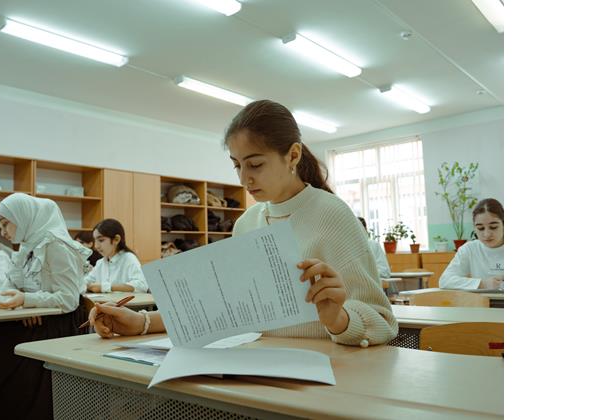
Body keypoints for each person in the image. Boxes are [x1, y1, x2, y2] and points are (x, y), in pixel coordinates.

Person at [88, 100, 398, 347]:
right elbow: (224, 309)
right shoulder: (248, 222)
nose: (243, 178)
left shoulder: (332, 215)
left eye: (255, 164)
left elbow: (383, 322)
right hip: (255, 366)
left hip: (324, 374)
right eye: (237, 165)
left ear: (293, 155)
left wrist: (338, 319)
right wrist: (140, 322)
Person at [0, 193, 91, 420]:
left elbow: (69, 298)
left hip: (58, 322)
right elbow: (6, 289)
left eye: (6, 224)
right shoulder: (27, 247)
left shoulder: (57, 245)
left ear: (24, 217)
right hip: (34, 317)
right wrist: (25, 305)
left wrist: (27, 301)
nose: (3, 232)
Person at [439, 198, 504, 290]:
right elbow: (445, 281)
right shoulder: (469, 249)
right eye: (480, 228)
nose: (487, 234)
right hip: (480, 299)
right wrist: (482, 284)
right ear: (474, 228)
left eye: (493, 227)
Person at [84, 218, 148, 293]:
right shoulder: (101, 263)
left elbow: (142, 285)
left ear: (116, 239)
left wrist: (106, 287)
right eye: (95, 240)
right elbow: (86, 281)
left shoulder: (129, 258)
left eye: (101, 240)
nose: (96, 246)